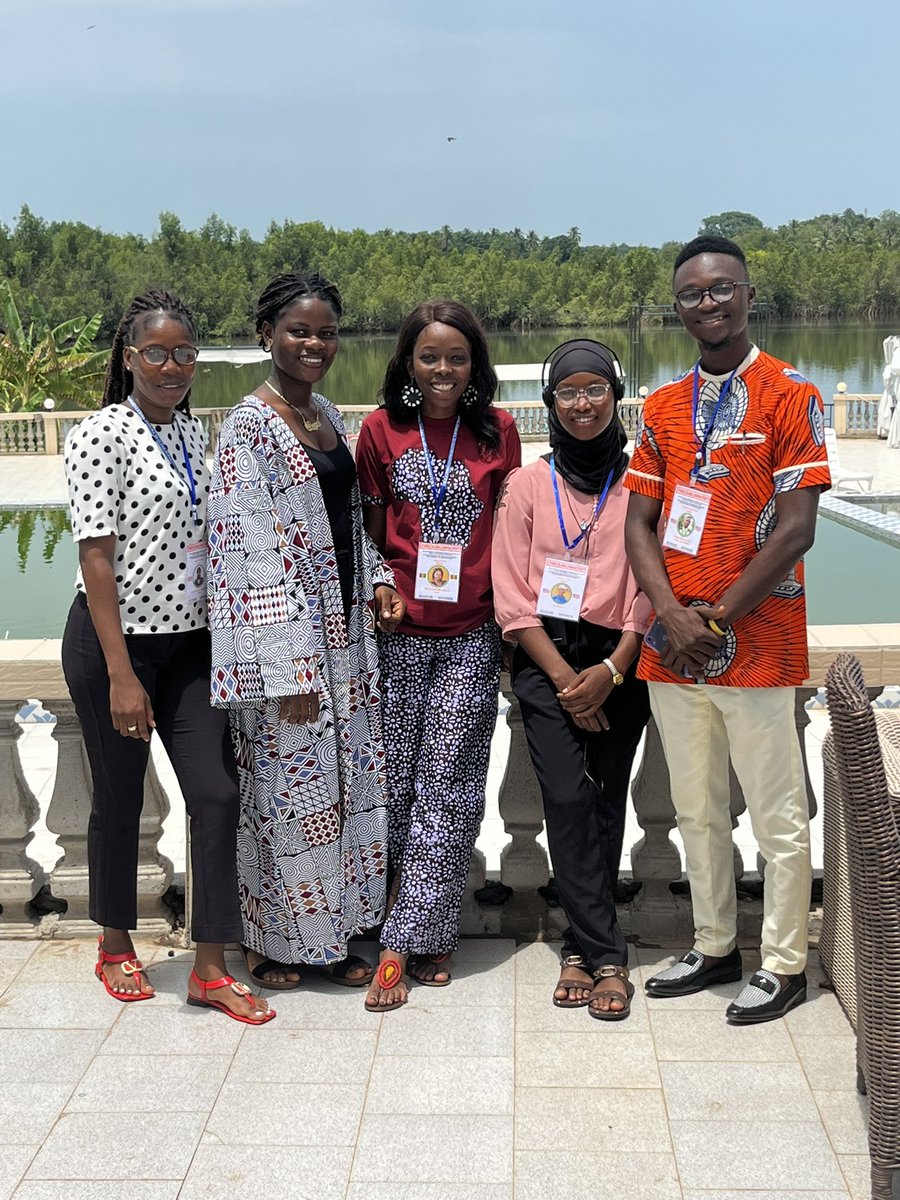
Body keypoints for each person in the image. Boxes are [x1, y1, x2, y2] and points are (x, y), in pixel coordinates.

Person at [624, 235, 831, 1024]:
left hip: (760, 643)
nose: (707, 303)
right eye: (691, 293)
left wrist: (716, 617)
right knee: (697, 809)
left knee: (777, 814)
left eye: (721, 288)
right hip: (675, 649)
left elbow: (796, 530)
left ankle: (783, 963)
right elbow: (639, 525)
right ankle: (713, 946)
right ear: (677, 308)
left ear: (748, 295)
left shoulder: (792, 394)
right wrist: (674, 616)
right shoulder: (662, 406)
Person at [61, 290, 273, 1025]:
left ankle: (210, 968)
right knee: (120, 797)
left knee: (216, 794)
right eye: (156, 352)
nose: (172, 366)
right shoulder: (100, 435)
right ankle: (115, 943)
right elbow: (96, 558)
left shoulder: (189, 431)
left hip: (190, 646)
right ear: (129, 358)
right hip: (113, 644)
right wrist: (122, 676)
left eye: (185, 353)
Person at [207, 271, 405, 992]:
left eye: (326, 332)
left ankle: (333, 935)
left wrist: (378, 576)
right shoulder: (248, 427)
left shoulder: (324, 414)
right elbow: (248, 553)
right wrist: (290, 671)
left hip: (345, 637)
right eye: (299, 331)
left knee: (344, 795)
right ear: (267, 335)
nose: (314, 344)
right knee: (287, 802)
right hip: (287, 651)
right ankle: (271, 943)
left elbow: (347, 520)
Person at [355, 300, 521, 1011]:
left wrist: (514, 624)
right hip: (398, 636)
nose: (443, 369)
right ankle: (417, 922)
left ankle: (408, 941)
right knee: (394, 787)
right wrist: (381, 584)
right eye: (430, 357)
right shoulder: (379, 430)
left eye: (457, 357)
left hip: (472, 634)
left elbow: (511, 533)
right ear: (408, 363)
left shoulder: (498, 431)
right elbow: (366, 533)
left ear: (474, 364)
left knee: (450, 785)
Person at [492, 339, 650, 1020]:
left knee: (607, 799)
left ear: (616, 395)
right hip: (545, 657)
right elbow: (510, 591)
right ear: (551, 402)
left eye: (595, 390)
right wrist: (565, 679)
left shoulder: (644, 478)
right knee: (565, 796)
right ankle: (609, 956)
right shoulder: (527, 484)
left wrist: (612, 669)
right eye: (568, 392)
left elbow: (653, 582)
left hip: (623, 660)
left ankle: (582, 950)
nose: (582, 404)